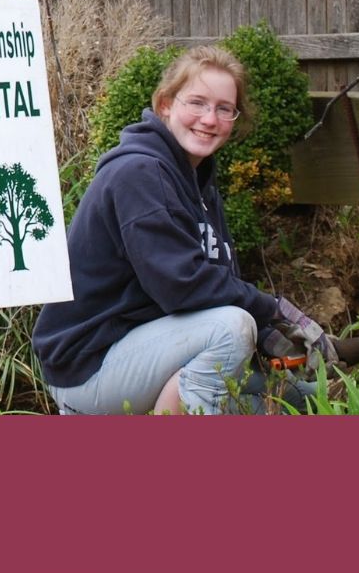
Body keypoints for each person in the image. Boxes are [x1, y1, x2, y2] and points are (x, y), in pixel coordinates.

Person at [32, 47, 337, 415]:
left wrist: (271, 336)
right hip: (89, 367)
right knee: (230, 327)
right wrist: (274, 311)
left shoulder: (197, 182)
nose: (210, 119)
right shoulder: (139, 174)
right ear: (165, 105)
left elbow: (218, 284)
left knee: (293, 398)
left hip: (146, 347)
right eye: (197, 103)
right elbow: (182, 286)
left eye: (224, 108)